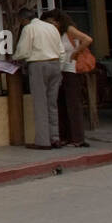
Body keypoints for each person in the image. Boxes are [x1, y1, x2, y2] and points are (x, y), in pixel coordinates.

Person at [13, 8, 66, 149]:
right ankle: (55, 138)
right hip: (55, 64)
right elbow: (61, 50)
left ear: (24, 19)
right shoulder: (51, 27)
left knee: (40, 103)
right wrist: (59, 67)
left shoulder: (29, 28)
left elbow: (24, 50)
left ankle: (43, 141)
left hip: (38, 64)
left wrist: (14, 57)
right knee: (52, 103)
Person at [45, 10, 93, 147]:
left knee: (73, 104)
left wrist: (75, 53)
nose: (50, 24)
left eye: (51, 21)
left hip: (71, 69)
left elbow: (88, 39)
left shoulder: (69, 29)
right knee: (62, 103)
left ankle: (77, 138)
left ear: (58, 20)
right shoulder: (57, 32)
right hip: (61, 70)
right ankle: (65, 136)